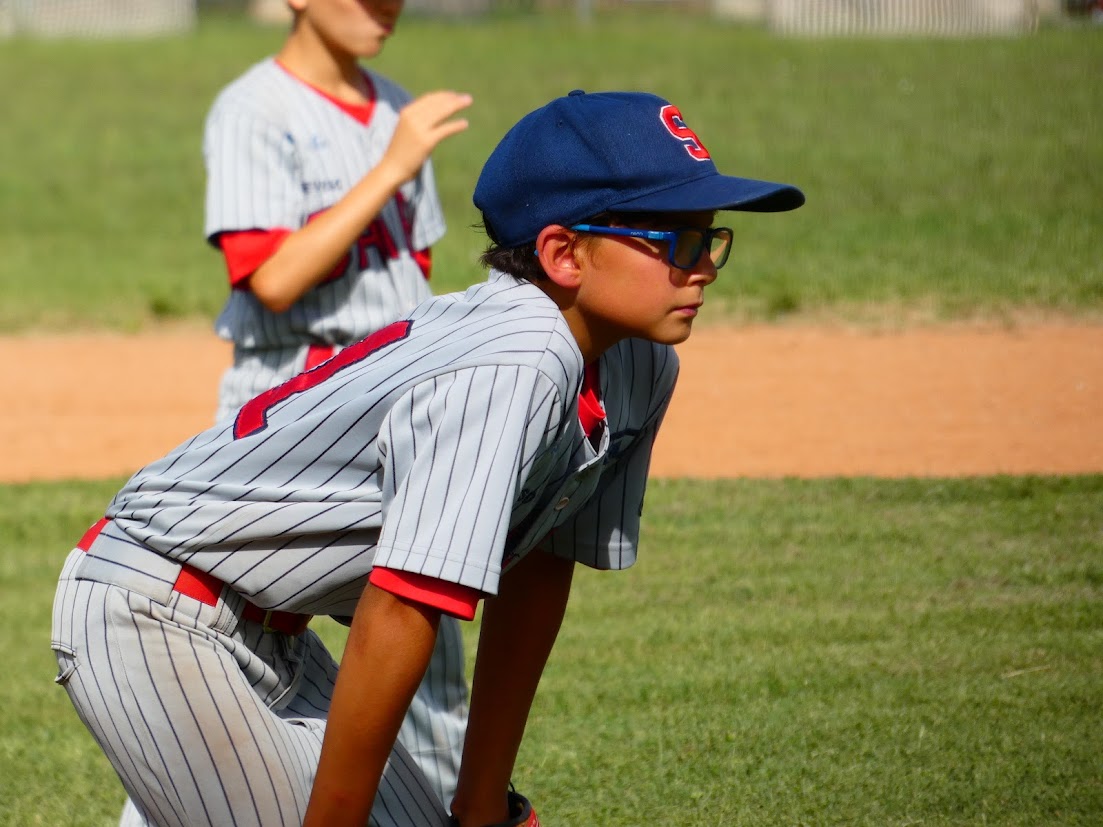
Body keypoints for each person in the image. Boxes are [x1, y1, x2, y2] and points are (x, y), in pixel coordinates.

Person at [51, 89, 804, 827]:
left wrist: (482, 799)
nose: (701, 265)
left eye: (710, 239)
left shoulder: (638, 363)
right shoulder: (514, 362)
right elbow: (403, 602)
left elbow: (541, 569)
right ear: (562, 253)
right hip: (152, 609)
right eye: (673, 241)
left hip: (273, 632)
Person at [200, 0, 473, 812]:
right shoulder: (255, 109)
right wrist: (390, 165)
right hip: (287, 410)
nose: (385, 8)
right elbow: (272, 277)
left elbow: (408, 273)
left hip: (396, 401)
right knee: (234, 663)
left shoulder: (395, 102)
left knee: (425, 661)